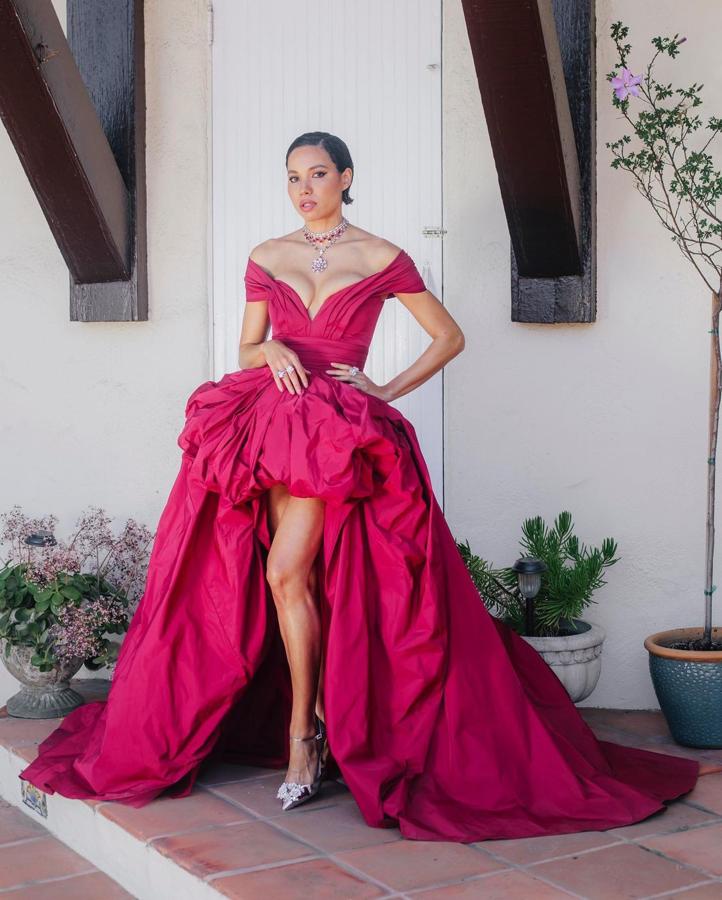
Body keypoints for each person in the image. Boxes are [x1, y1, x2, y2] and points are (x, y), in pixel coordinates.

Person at [19, 131, 707, 842]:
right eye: (293, 176)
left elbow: (448, 336)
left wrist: (384, 389)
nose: (305, 187)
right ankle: (311, 722)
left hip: (337, 434)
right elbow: (247, 347)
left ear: (346, 176)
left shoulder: (381, 256)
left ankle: (303, 737)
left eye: (318, 173)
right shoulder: (266, 255)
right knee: (294, 581)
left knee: (289, 571)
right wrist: (274, 347)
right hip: (273, 420)